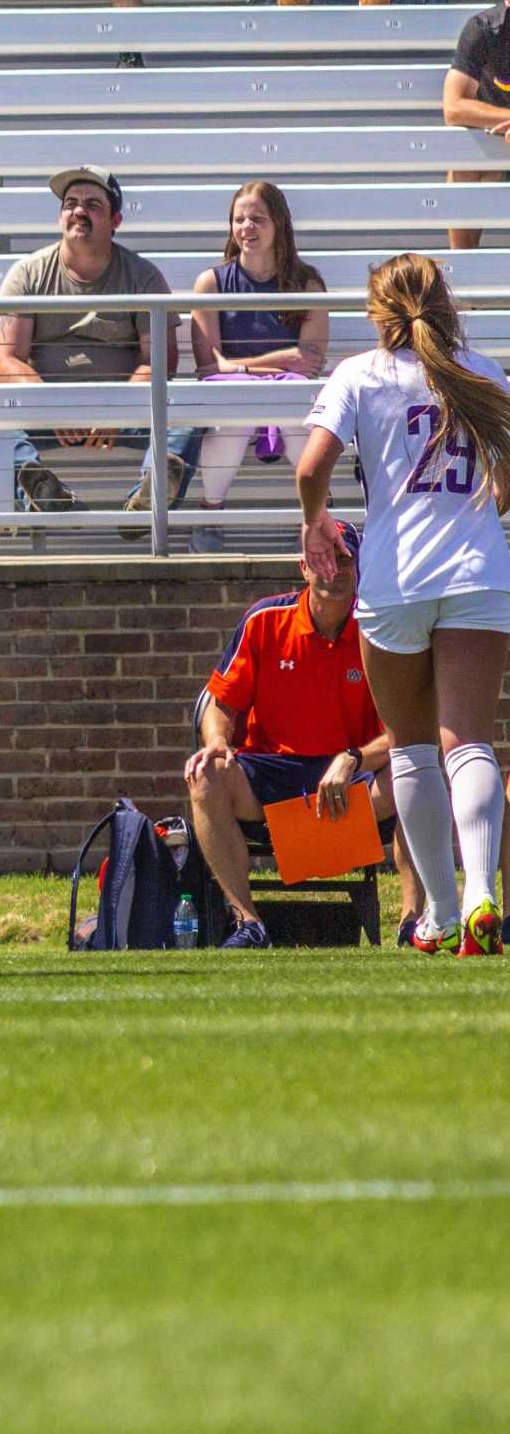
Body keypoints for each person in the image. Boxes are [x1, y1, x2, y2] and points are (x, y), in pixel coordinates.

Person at [296, 251, 510, 956]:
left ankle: (440, 914)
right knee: (469, 741)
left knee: (415, 749)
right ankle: (483, 894)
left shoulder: (359, 374)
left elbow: (310, 468)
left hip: (394, 580)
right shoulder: (483, 372)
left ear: (378, 311)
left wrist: (316, 521)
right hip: (479, 571)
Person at [185, 519, 423, 948]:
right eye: (324, 557)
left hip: (353, 780)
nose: (336, 567)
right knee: (205, 776)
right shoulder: (264, 620)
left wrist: (352, 757)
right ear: (304, 567)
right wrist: (217, 742)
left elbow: (406, 727)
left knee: (417, 770)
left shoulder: (382, 625)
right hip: (270, 773)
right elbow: (220, 703)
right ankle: (248, 923)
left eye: (346, 558)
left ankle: (413, 923)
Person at [0, 166, 194, 526]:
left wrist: (118, 412)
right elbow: (5, 359)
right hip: (45, 414)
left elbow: (160, 363)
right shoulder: (28, 273)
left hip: (125, 415)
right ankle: (40, 490)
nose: (78, 211)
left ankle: (149, 504)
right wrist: (53, 408)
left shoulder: (143, 277)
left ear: (115, 220)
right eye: (71, 203)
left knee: (190, 412)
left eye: (93, 204)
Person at [185, 181, 329, 553]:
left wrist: (242, 366)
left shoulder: (307, 284)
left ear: (279, 224)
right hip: (231, 395)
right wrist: (274, 363)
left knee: (301, 409)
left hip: (284, 392)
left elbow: (308, 361)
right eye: (239, 219)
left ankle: (315, 520)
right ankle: (210, 514)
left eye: (257, 219)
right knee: (237, 412)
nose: (247, 227)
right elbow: (208, 367)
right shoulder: (211, 283)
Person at [443, 5, 510, 250]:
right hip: (497, 145)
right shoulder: (485, 29)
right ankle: (464, 266)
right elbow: (454, 107)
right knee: (463, 163)